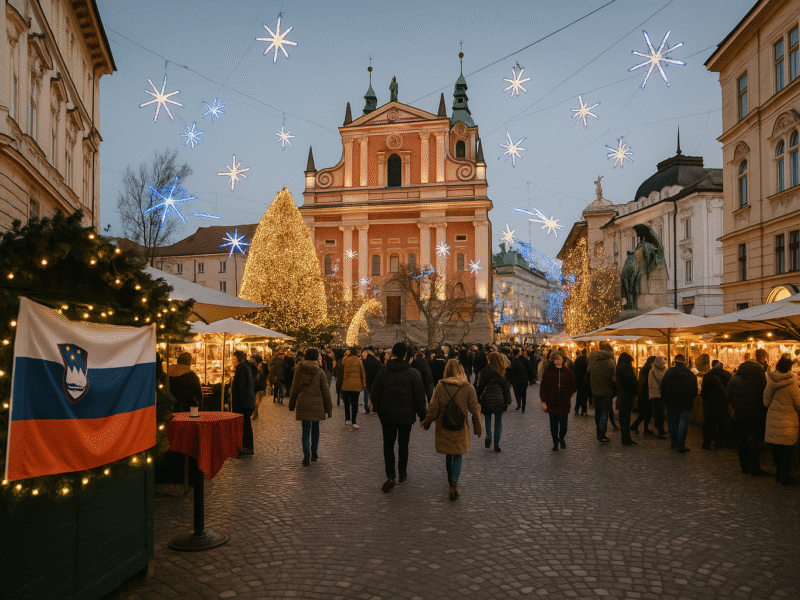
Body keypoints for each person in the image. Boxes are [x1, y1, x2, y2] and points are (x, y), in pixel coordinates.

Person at [420, 359, 482, 501]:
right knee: (458, 454)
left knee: (449, 453)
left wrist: (427, 422)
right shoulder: (467, 387)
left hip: (444, 424)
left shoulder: (441, 386)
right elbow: (475, 410)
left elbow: (433, 408)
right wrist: (478, 427)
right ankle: (455, 481)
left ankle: (450, 480)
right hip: (461, 426)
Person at [370, 342, 427, 493]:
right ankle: (402, 472)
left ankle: (390, 473)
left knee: (388, 445)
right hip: (406, 416)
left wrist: (379, 410)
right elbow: (419, 397)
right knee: (403, 445)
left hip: (387, 416)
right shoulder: (413, 373)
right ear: (405, 355)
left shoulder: (384, 372)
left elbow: (374, 393)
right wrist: (423, 415)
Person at [288, 348, 333, 467]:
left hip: (303, 403)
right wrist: (329, 410)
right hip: (317, 404)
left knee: (305, 430)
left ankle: (306, 455)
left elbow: (295, 387)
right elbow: (326, 392)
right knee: (315, 429)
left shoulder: (299, 368)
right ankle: (314, 452)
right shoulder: (320, 371)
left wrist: (292, 404)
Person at [728, 357, 768, 475]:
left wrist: (735, 406)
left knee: (742, 440)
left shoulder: (735, 379)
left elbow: (729, 395)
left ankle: (744, 466)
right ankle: (755, 467)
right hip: (756, 413)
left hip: (739, 414)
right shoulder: (761, 379)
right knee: (754, 440)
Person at [763, 356, 800, 486]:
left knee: (776, 450)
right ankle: (784, 476)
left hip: (773, 421)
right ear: (789, 368)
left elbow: (766, 402)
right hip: (788, 422)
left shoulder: (771, 381)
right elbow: (799, 404)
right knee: (787, 451)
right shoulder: (793, 383)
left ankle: (779, 474)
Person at [660, 354, 698, 453]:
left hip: (671, 402)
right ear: (684, 362)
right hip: (686, 403)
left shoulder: (669, 373)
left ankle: (674, 442)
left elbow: (663, 387)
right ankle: (681, 444)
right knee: (683, 423)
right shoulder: (690, 374)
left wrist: (665, 399)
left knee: (673, 423)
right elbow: (695, 390)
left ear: (674, 361)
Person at [539, 351, 576, 451]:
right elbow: (543, 387)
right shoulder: (548, 372)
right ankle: (555, 442)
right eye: (556, 359)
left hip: (564, 402)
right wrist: (543, 400)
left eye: (560, 359)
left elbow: (573, 385)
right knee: (553, 424)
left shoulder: (567, 372)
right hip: (552, 402)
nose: (558, 361)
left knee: (564, 424)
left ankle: (561, 437)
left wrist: (568, 394)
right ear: (553, 361)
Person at [476, 352, 511, 452]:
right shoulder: (501, 371)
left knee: (487, 418)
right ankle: (496, 444)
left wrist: (478, 398)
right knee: (498, 422)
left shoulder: (485, 370)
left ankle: (488, 436)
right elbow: (505, 387)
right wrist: (507, 399)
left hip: (487, 398)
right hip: (499, 398)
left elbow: (480, 386)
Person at [588, 342, 616, 443]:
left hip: (595, 391)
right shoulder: (610, 362)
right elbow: (613, 378)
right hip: (606, 391)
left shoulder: (593, 362)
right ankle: (602, 434)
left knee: (598, 411)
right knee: (605, 412)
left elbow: (589, 374)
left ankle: (598, 431)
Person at [700, 360, 732, 449]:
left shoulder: (707, 376)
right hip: (723, 403)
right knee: (721, 423)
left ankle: (707, 442)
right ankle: (720, 441)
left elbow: (704, 391)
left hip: (710, 403)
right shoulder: (728, 376)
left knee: (709, 424)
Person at [232, 350, 255, 457]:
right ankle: (247, 447)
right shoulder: (246, 367)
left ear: (237, 359)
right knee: (246, 425)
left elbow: (241, 387)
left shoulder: (241, 369)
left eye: (233, 359)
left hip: (243, 402)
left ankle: (246, 448)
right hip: (247, 401)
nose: (232, 361)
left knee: (244, 425)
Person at [615, 352, 638, 446]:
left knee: (623, 418)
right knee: (626, 418)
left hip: (621, 395)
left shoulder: (619, 367)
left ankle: (626, 437)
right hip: (627, 396)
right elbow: (631, 381)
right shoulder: (627, 368)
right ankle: (626, 439)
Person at [340, 347, 366, 429]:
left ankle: (347, 419)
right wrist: (364, 384)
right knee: (355, 404)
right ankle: (354, 421)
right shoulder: (359, 361)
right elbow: (363, 373)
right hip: (356, 385)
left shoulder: (345, 359)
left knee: (347, 403)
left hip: (346, 384)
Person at [631, 356, 656, 435]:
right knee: (646, 412)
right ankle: (637, 426)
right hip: (646, 393)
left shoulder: (644, 368)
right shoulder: (649, 369)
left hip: (642, 393)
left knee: (645, 412)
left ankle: (640, 427)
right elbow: (646, 382)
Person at [648, 356, 668, 438]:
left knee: (660, 413)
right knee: (659, 413)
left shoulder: (657, 370)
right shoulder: (654, 371)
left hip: (659, 394)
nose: (663, 365)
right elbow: (662, 380)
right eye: (662, 363)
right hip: (657, 394)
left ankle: (660, 428)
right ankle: (659, 430)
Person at [362, 348, 382, 414]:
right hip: (374, 380)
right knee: (372, 394)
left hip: (367, 380)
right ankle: (373, 407)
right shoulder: (376, 361)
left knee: (366, 394)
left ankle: (367, 407)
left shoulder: (365, 362)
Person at [572, 348, 590, 417]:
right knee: (584, 396)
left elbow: (575, 370)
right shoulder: (586, 359)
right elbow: (587, 370)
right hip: (584, 381)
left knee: (579, 395)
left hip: (578, 380)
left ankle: (577, 410)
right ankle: (584, 411)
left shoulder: (577, 359)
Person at [251, 355, 268, 420]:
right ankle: (255, 413)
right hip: (259, 387)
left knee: (256, 401)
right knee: (256, 401)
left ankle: (255, 413)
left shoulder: (257, 368)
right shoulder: (260, 367)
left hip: (257, 387)